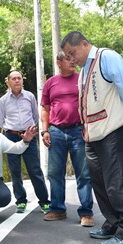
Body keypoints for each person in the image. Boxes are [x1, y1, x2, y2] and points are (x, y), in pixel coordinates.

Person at [61, 31, 123, 244]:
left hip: (112, 130)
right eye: (67, 56)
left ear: (85, 44)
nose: (70, 59)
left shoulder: (107, 57)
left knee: (116, 183)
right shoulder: (83, 70)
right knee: (98, 182)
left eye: (72, 53)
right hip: (92, 134)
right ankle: (114, 223)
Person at [40, 51, 94, 227]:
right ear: (58, 62)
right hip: (56, 131)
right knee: (55, 173)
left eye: (73, 58)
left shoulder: (82, 79)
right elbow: (45, 109)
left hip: (78, 131)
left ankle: (86, 212)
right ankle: (57, 208)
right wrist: (45, 131)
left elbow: (89, 104)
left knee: (84, 174)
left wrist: (88, 126)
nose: (73, 61)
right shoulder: (50, 83)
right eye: (68, 59)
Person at [0, 70, 50, 214]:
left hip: (29, 136)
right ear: (8, 82)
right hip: (11, 138)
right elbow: (0, 121)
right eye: (13, 79)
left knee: (35, 170)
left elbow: (35, 115)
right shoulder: (3, 100)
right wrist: (12, 130)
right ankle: (21, 201)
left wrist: (28, 132)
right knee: (15, 171)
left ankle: (44, 202)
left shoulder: (30, 96)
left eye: (19, 78)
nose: (16, 81)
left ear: (22, 81)